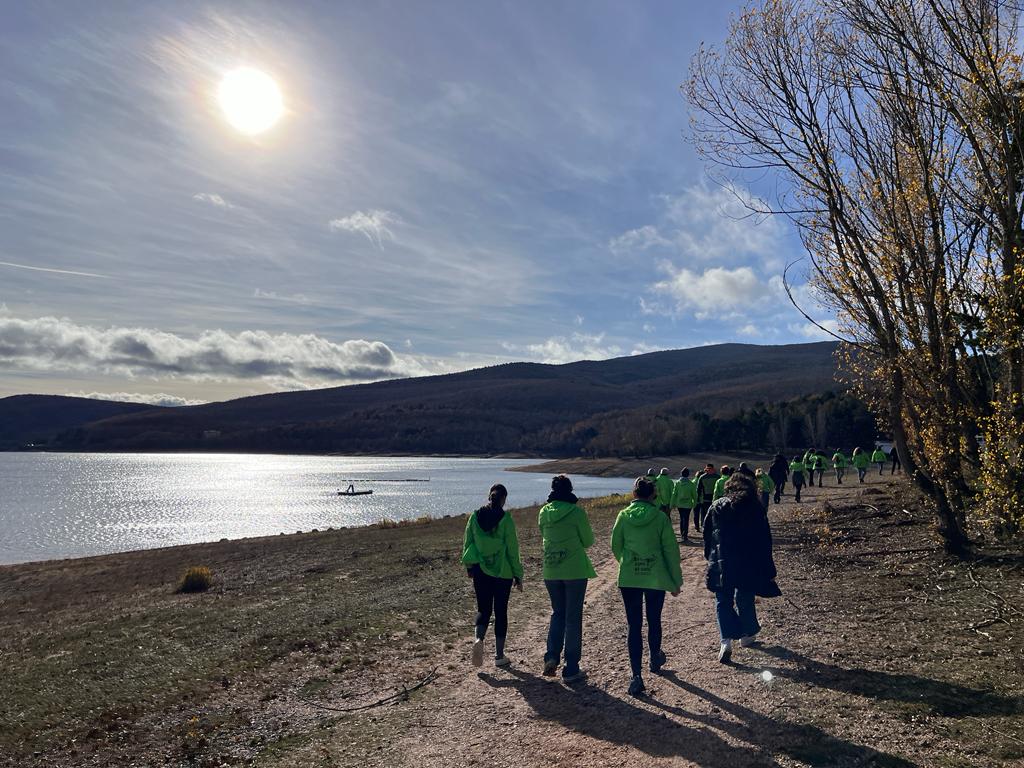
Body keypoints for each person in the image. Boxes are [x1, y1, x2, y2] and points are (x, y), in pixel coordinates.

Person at [611, 477, 682, 696]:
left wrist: (627, 561)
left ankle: (636, 676)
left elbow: (616, 546)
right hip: (655, 577)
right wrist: (675, 581)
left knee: (634, 625)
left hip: (630, 577)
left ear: (634, 494)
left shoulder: (623, 516)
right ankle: (654, 657)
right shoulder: (660, 517)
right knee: (654, 619)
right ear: (653, 495)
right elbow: (671, 551)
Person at [703, 472, 781, 663]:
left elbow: (707, 536)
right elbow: (765, 541)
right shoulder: (755, 508)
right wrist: (769, 569)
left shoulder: (716, 506)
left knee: (723, 600)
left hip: (722, 560)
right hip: (748, 562)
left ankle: (726, 641)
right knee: (744, 597)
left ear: (728, 487)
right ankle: (747, 635)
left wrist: (710, 557)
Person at [538, 475, 596, 684]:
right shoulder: (577, 512)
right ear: (570, 490)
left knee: (557, 613)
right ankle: (571, 668)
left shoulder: (543, 512)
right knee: (573, 618)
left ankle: (551, 656)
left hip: (551, 570)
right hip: (574, 571)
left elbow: (543, 533)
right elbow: (588, 541)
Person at [461, 484, 523, 668]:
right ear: (504, 499)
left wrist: (469, 566)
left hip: (480, 570)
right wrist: (518, 575)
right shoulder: (507, 520)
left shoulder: (474, 516)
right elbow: (513, 550)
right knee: (501, 611)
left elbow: (468, 542)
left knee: (483, 609)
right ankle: (499, 655)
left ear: (489, 497)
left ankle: (479, 639)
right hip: (503, 573)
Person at [673, 468, 698, 542]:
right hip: (688, 505)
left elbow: (674, 494)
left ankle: (682, 535)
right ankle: (685, 536)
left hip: (680, 504)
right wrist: (695, 503)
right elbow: (694, 495)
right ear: (688, 475)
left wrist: (672, 504)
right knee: (686, 519)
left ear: (681, 474)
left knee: (681, 519)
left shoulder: (677, 483)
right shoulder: (691, 484)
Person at [694, 463, 719, 533]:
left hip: (705, 499)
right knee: (713, 514)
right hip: (715, 499)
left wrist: (698, 499)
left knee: (704, 515)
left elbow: (698, 489)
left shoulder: (702, 477)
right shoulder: (717, 477)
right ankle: (712, 528)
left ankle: (704, 527)